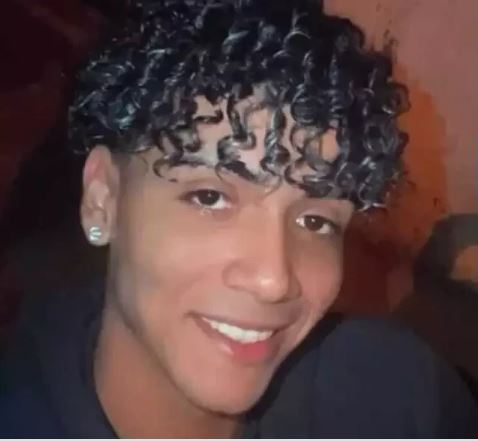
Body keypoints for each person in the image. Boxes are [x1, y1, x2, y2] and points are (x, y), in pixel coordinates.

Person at [0, 0, 476, 437]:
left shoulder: (404, 395)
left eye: (316, 222)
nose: (273, 280)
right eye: (210, 197)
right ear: (103, 198)